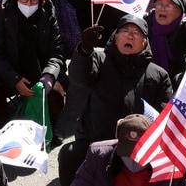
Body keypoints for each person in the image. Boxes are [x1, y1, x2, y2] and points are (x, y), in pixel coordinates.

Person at [60, 14, 172, 183]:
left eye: (137, 32)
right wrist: (84, 50)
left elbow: (165, 116)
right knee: (68, 155)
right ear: (115, 36)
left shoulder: (158, 74)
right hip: (95, 141)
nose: (130, 35)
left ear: (145, 42)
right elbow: (78, 78)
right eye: (125, 30)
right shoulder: (99, 58)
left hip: (138, 146)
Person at [0, 0, 65, 123]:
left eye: (33, 0)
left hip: (40, 69)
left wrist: (49, 75)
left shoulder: (48, 13)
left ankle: (52, 129)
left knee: (57, 92)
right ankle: (2, 125)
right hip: (10, 69)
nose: (28, 4)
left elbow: (57, 50)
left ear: (40, 0)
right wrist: (14, 79)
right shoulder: (3, 12)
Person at [70, 114, 155, 186]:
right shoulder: (98, 155)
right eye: (127, 154)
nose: (133, 161)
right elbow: (81, 181)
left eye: (139, 155)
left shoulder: (164, 164)